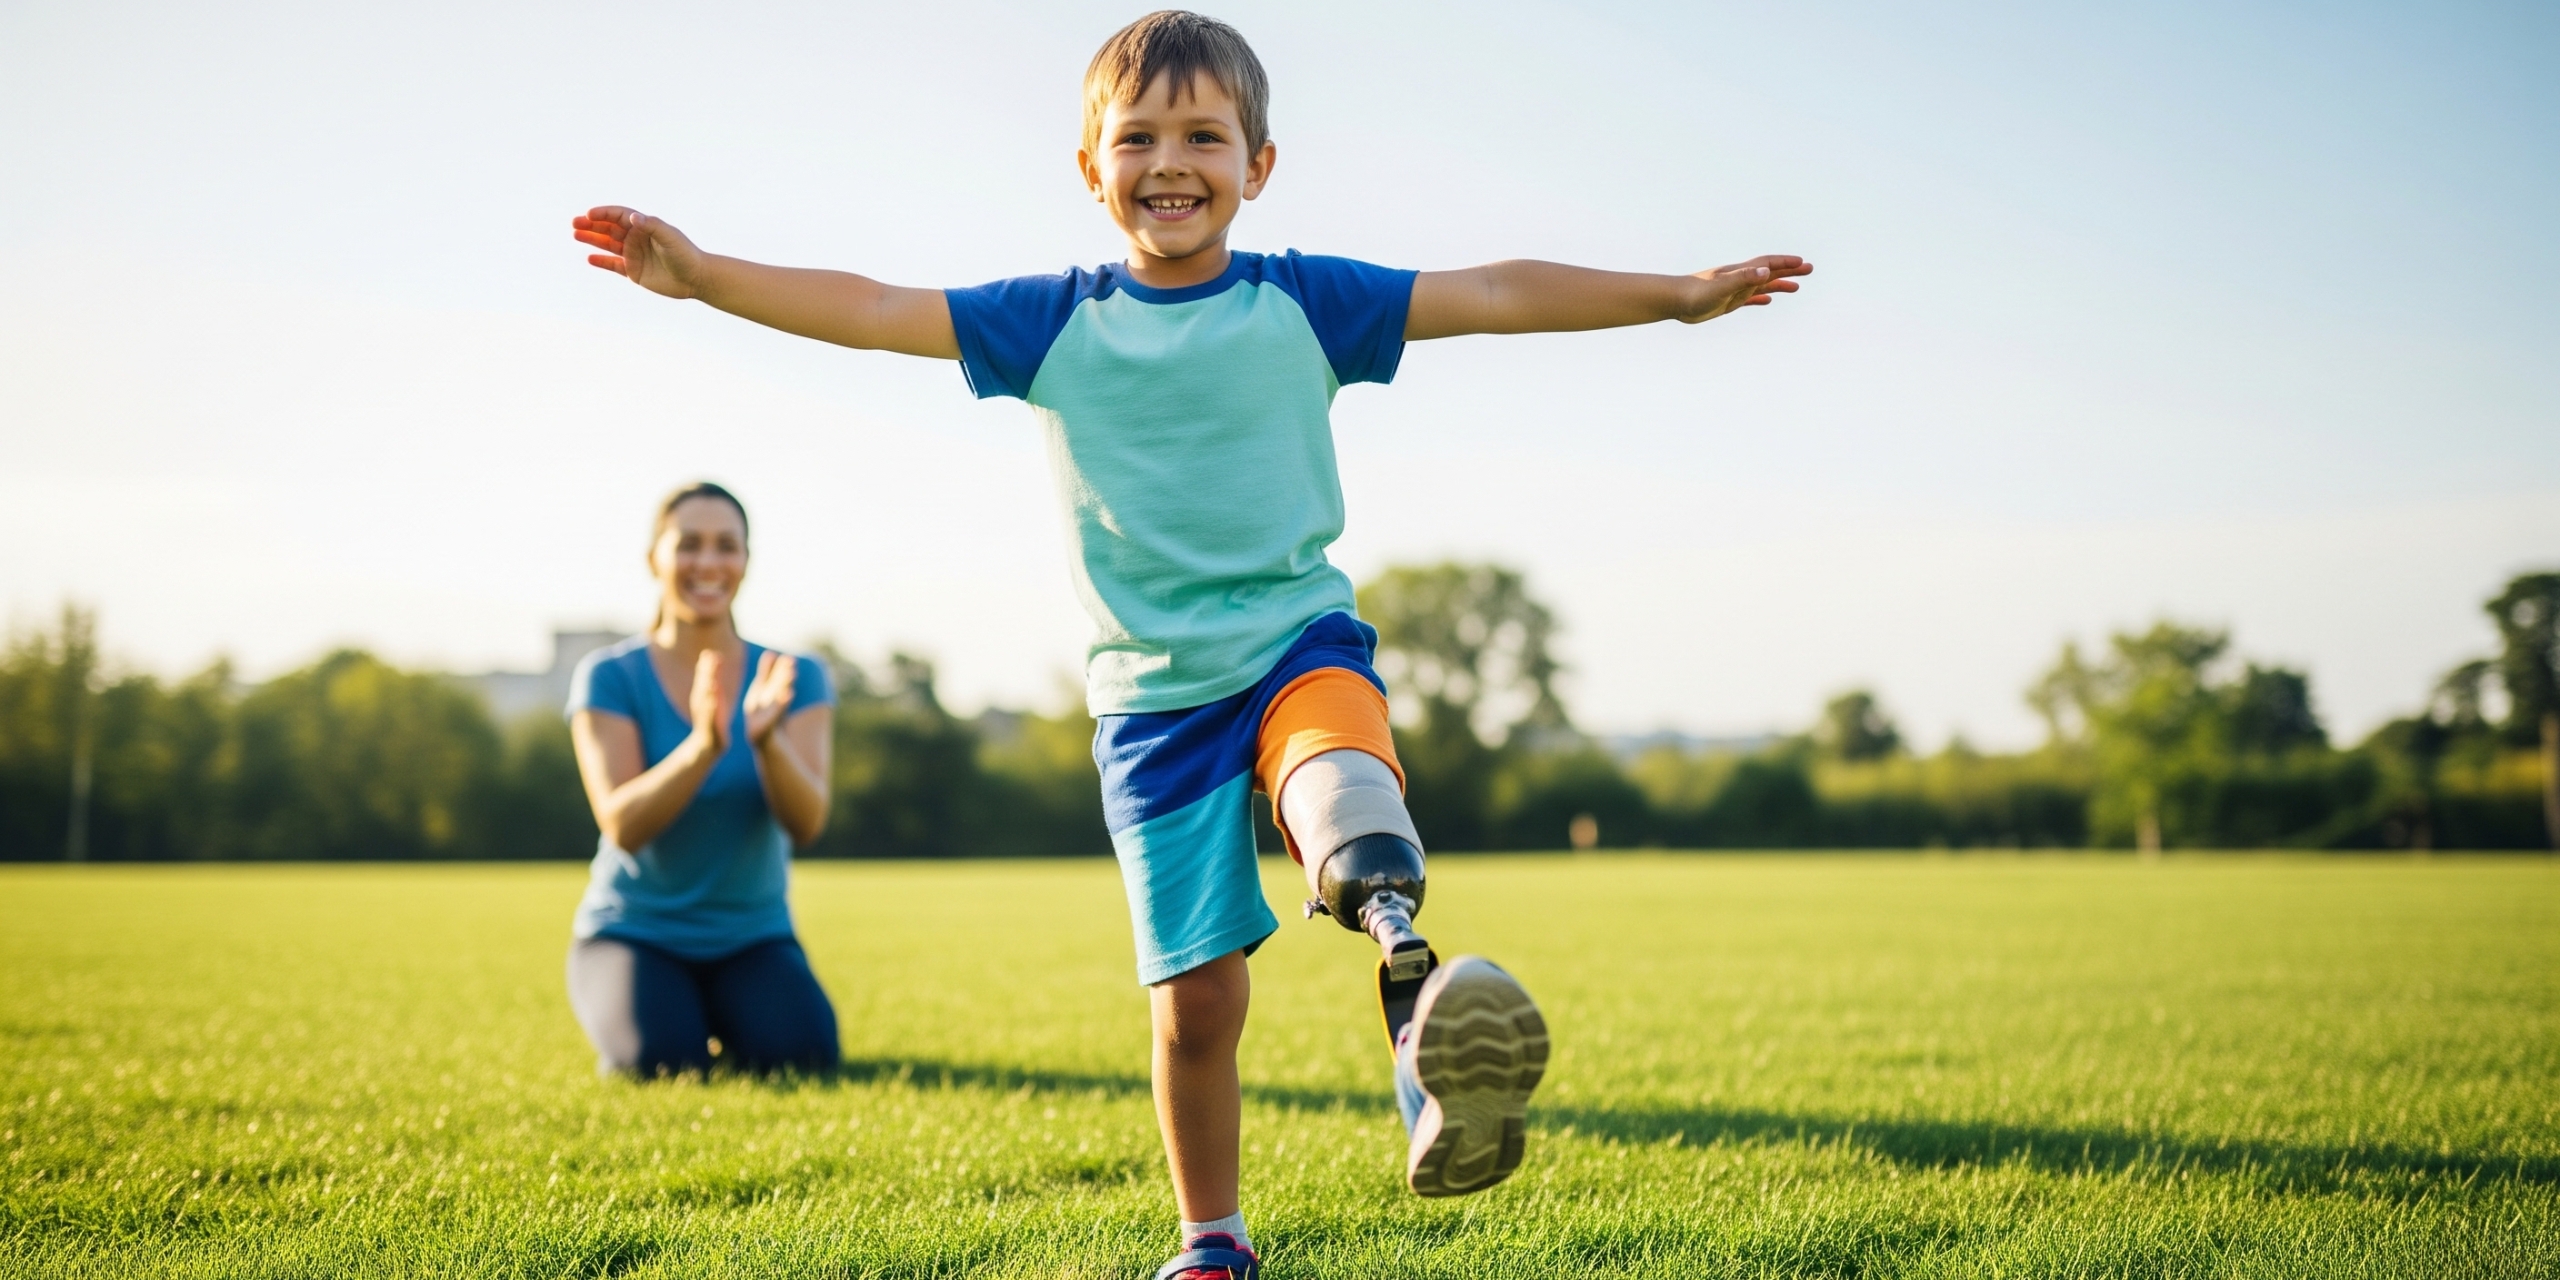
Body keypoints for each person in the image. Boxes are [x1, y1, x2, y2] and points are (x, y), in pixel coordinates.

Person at [568, 11, 1810, 1273]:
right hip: (1151, 709)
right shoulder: (1048, 320)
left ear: (1257, 164)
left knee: (1343, 795)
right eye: (1140, 136)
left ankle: (1408, 972)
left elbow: (1489, 292)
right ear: (1089, 168)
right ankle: (1212, 1237)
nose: (1172, 160)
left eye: (1204, 135)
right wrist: (706, 274)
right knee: (1197, 1003)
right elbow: (877, 307)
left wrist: (1674, 297)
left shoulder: (1303, 300)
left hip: (1294, 641)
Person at [562, 482, 842, 1077]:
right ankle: (675, 1019)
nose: (708, 563)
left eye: (726, 546)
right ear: (654, 559)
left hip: (753, 937)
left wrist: (766, 743)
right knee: (663, 1064)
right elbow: (623, 826)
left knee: (804, 1059)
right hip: (635, 934)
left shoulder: (796, 677)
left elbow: (808, 823)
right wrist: (703, 747)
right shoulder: (609, 677)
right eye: (688, 545)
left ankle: (729, 1013)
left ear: (745, 560)